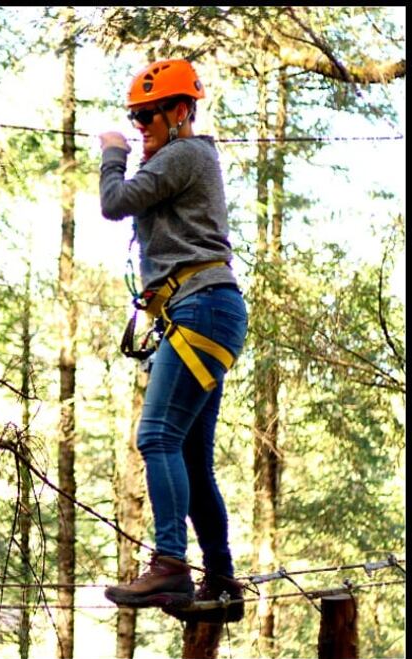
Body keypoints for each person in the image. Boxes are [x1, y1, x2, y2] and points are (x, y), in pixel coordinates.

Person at [97, 59, 249, 622]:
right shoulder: (177, 160)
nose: (139, 127)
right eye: (133, 119)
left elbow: (114, 202)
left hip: (201, 308)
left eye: (147, 116)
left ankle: (170, 565)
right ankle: (222, 583)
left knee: (157, 435)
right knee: (190, 457)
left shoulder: (187, 153)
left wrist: (113, 153)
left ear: (181, 111)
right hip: (203, 311)